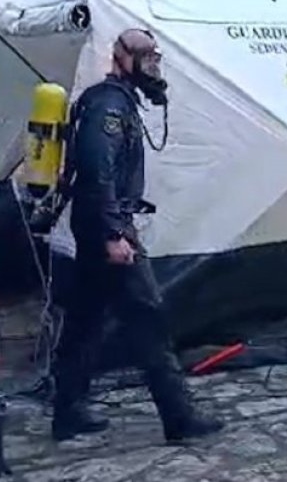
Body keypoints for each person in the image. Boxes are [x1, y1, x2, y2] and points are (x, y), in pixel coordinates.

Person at [50, 28, 223, 443]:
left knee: (84, 322)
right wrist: (113, 234)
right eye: (145, 59)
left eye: (154, 59)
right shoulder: (109, 107)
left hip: (96, 226)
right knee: (148, 319)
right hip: (107, 230)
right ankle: (180, 418)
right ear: (121, 58)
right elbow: (97, 172)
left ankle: (68, 411)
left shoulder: (113, 101)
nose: (152, 68)